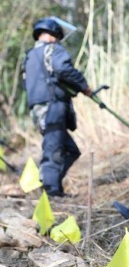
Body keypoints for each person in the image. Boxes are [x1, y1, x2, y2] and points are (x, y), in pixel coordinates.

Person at [23, 17, 92, 197]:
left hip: (37, 110)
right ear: (53, 34)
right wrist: (84, 86)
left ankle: (49, 182)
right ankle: (51, 190)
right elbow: (64, 69)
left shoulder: (29, 56)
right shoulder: (53, 50)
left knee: (71, 150)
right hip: (53, 106)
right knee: (53, 148)